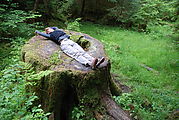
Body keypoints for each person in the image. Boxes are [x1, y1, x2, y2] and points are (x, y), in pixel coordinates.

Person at [35, 27, 105, 69]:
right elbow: (42, 34)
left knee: (82, 52)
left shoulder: (58, 30)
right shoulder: (51, 35)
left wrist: (51, 28)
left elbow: (55, 27)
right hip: (63, 43)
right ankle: (90, 64)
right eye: (47, 31)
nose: (48, 30)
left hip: (70, 41)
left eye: (48, 29)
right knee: (76, 54)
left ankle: (95, 61)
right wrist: (38, 32)